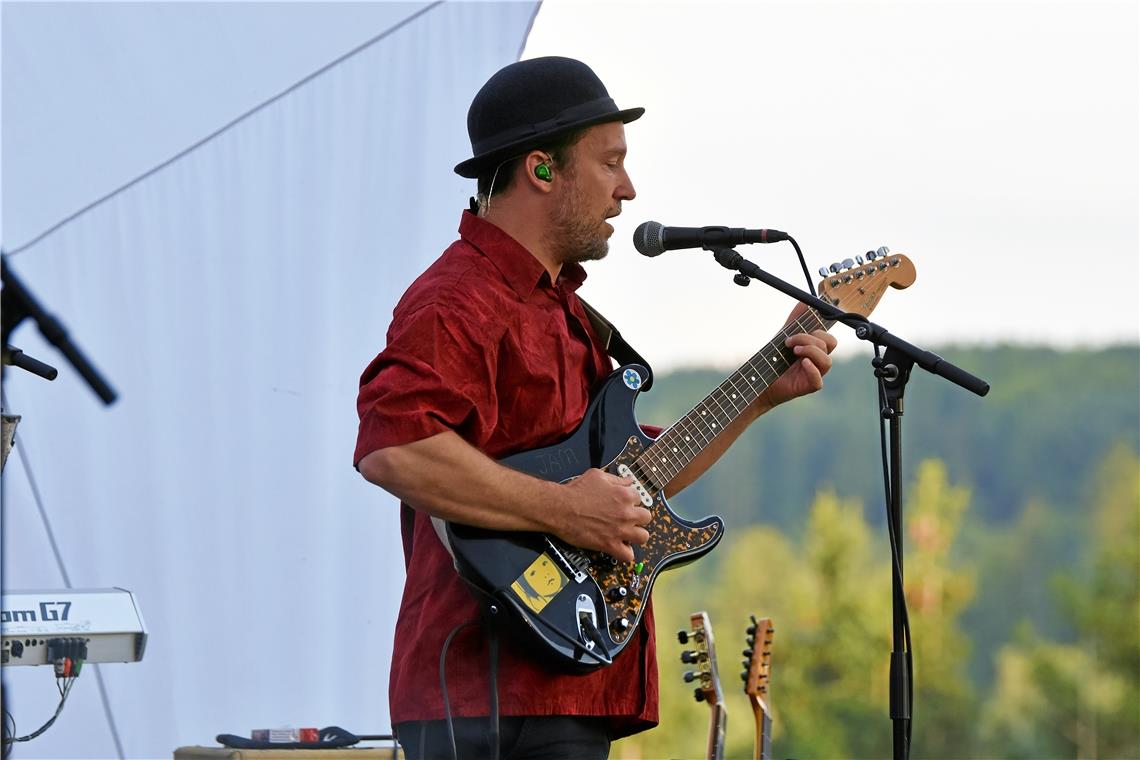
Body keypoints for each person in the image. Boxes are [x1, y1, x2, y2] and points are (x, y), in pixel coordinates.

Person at [354, 56, 837, 760]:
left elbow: (630, 481)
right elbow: (395, 447)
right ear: (542, 169)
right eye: (610, 163)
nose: (628, 188)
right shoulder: (457, 299)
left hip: (564, 684)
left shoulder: (566, 311)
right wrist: (564, 510)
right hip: (487, 691)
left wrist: (763, 391)